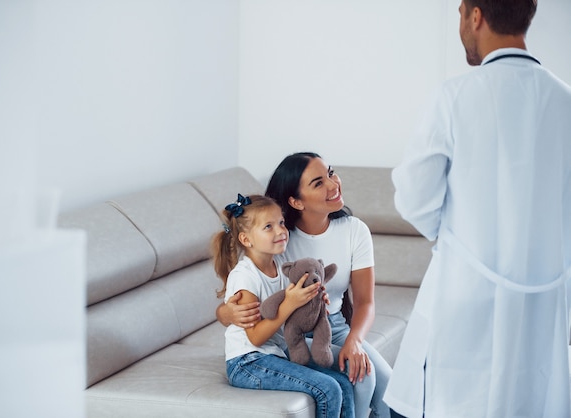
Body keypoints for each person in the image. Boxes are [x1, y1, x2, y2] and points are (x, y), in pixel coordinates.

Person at [384, 1, 571, 417]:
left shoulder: (455, 95)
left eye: (460, 13)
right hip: (543, 303)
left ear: (475, 15)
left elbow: (414, 197)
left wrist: (459, 235)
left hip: (463, 296)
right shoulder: (566, 102)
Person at [217, 154, 392, 418]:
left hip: (334, 326)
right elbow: (247, 293)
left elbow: (366, 301)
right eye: (319, 183)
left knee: (392, 391)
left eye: (331, 173)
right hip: (293, 333)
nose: (333, 185)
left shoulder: (353, 230)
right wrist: (225, 313)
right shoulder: (276, 241)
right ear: (296, 201)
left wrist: (354, 342)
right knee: (359, 378)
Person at [212, 193, 355, 418]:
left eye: (280, 223)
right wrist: (289, 304)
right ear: (246, 240)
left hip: (275, 353)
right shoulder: (245, 277)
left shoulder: (280, 265)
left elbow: (294, 314)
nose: (280, 230)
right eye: (268, 227)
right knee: (328, 389)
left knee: (343, 384)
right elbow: (255, 338)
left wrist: (313, 301)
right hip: (248, 362)